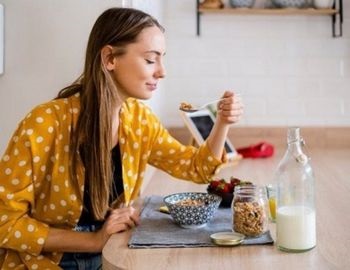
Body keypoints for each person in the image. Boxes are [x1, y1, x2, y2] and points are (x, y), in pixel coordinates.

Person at [0, 7, 243, 270]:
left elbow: (195, 168)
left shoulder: (139, 120)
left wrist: (222, 123)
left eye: (162, 59)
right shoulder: (44, 123)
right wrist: (93, 240)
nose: (162, 71)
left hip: (112, 251)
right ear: (109, 58)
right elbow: (5, 222)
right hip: (47, 259)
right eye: (151, 60)